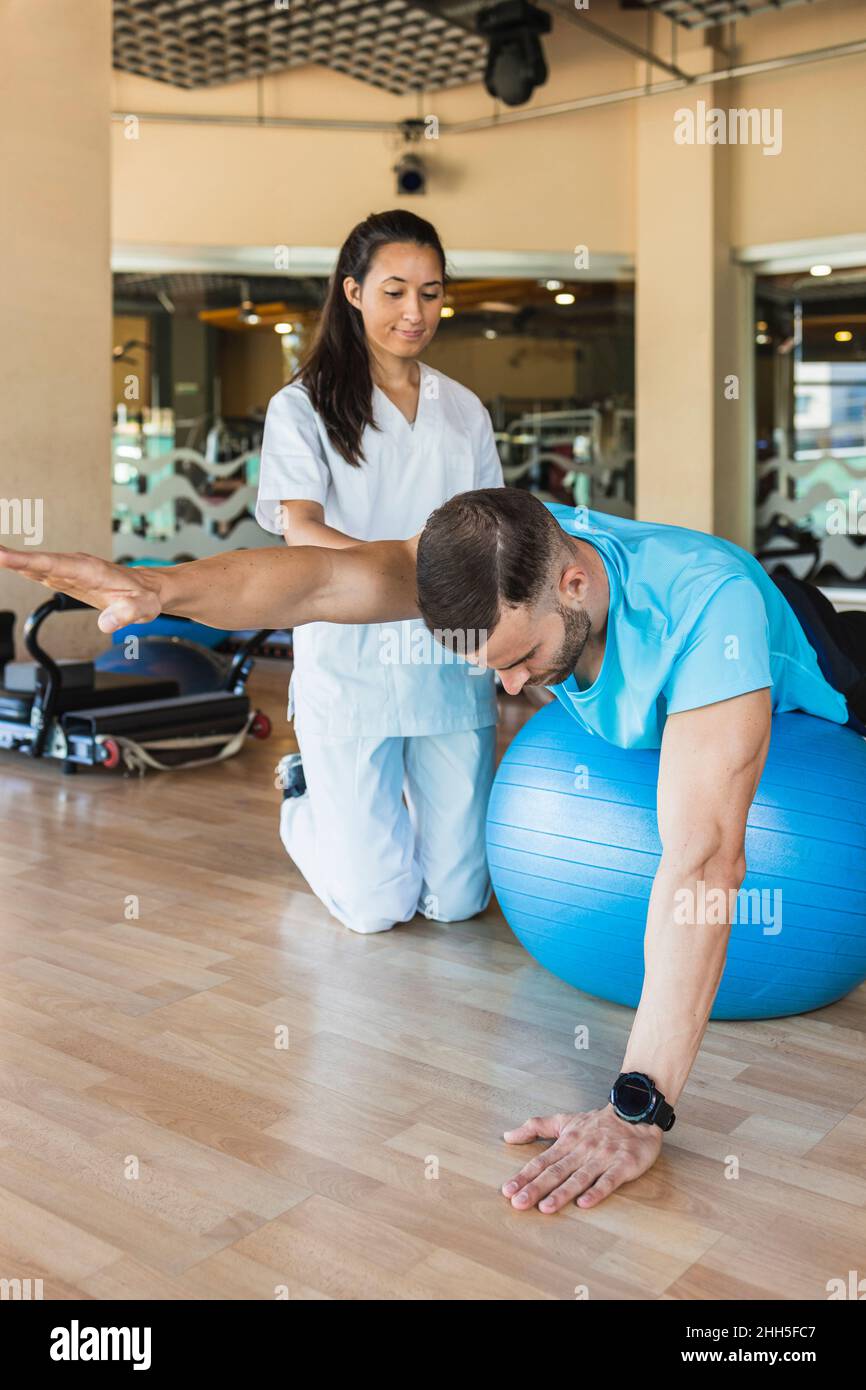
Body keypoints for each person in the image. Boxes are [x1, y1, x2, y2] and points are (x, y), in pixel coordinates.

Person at [4, 486, 865, 1216]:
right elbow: (318, 584)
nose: (511, 686)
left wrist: (637, 1109)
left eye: (522, 656)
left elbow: (706, 865)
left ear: (573, 582)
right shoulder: (487, 556)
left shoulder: (711, 614)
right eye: (491, 665)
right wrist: (160, 588)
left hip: (806, 654)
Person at [254, 210, 503, 936]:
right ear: (354, 291)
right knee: (374, 908)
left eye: (431, 293)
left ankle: (358, 822)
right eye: (394, 291)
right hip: (350, 649)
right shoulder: (302, 405)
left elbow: (491, 524)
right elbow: (298, 524)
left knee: (458, 901)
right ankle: (304, 803)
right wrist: (406, 572)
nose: (414, 312)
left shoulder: (462, 410)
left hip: (449, 652)